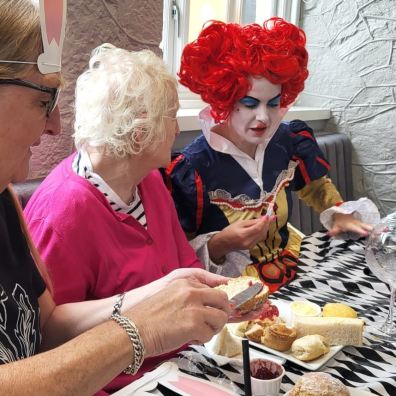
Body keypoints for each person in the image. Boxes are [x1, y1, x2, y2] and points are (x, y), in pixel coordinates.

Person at [0, 1, 232, 394]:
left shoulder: (5, 199)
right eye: (44, 101)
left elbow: (48, 326)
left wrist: (164, 291)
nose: (57, 125)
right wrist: (139, 328)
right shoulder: (60, 207)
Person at [163, 18, 376, 293]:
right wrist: (220, 244)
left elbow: (313, 185)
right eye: (250, 104)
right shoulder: (193, 168)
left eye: (273, 103)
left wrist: (336, 213)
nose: (263, 117)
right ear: (224, 99)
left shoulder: (286, 140)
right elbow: (179, 259)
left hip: (293, 274)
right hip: (230, 294)